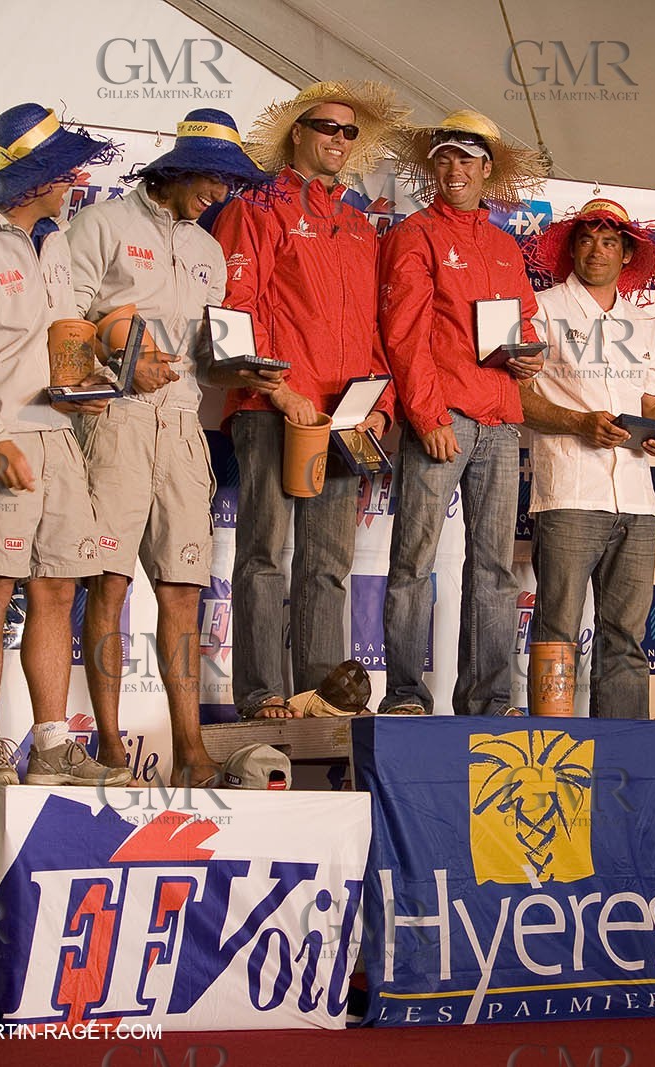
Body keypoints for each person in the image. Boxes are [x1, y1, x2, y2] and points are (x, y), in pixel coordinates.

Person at [0, 103, 128, 786]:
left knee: (57, 589)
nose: (76, 183)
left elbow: (63, 341)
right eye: (66, 172)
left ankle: (50, 747)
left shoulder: (56, 244)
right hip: (0, 437)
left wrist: (91, 381)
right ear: (35, 178)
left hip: (59, 436)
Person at [66, 109, 270, 786]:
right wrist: (121, 365)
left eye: (231, 182)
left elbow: (205, 361)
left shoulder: (208, 250)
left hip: (183, 425)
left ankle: (190, 751)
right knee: (109, 583)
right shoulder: (101, 225)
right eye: (213, 177)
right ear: (178, 168)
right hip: (115, 420)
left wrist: (244, 370)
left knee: (184, 590)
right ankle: (110, 752)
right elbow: (65, 325)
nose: (221, 191)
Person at [211, 81, 407, 720]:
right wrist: (279, 390)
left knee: (328, 565)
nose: (339, 139)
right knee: (264, 557)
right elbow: (234, 312)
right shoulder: (257, 206)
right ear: (297, 132)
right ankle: (262, 693)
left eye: (350, 131)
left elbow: (372, 328)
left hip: (344, 418)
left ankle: (323, 697)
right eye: (327, 126)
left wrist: (380, 402)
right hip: (276, 409)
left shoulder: (357, 223)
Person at [377, 109, 549, 716]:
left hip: (500, 422)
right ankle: (405, 694)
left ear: (487, 169)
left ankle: (488, 699)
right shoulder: (414, 233)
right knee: (413, 559)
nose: (455, 168)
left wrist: (529, 356)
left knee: (495, 567)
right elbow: (403, 334)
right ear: (433, 166)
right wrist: (427, 416)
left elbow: (525, 322)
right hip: (445, 415)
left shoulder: (504, 245)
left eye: (468, 158)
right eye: (445, 157)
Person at [519, 198, 655, 718]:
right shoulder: (540, 309)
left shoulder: (645, 325)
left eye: (610, 242)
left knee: (626, 637)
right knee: (557, 631)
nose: (597, 251)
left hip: (636, 498)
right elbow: (517, 397)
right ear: (572, 248)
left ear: (626, 254)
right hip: (569, 491)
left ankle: (621, 751)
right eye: (586, 240)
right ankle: (550, 746)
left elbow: (654, 402)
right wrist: (578, 422)